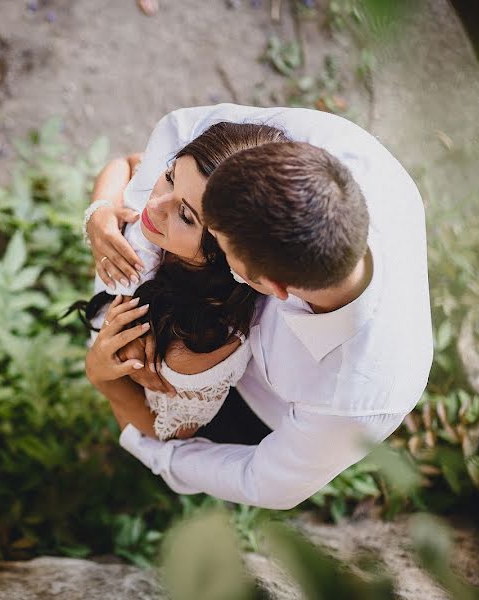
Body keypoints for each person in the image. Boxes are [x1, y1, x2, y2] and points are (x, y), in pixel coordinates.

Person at [84, 104, 433, 509]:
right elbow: (186, 131)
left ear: (267, 286)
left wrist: (118, 397)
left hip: (254, 409)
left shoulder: (353, 400)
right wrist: (112, 233)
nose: (159, 207)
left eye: (216, 240)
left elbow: (258, 480)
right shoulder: (337, 147)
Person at [73, 123, 287, 441]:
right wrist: (100, 213)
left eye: (185, 216)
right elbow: (126, 163)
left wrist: (102, 375)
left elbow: (164, 434)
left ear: (226, 254)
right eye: (170, 175)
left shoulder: (193, 345)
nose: (155, 205)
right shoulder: (179, 196)